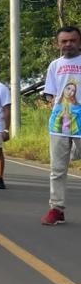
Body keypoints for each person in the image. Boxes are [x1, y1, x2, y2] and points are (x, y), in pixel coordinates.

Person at [41, 26, 81, 225]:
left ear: (79, 42)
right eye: (64, 41)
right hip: (60, 121)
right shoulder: (54, 65)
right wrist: (54, 108)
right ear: (58, 44)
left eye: (72, 40)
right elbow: (51, 93)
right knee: (57, 168)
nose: (68, 44)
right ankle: (56, 208)